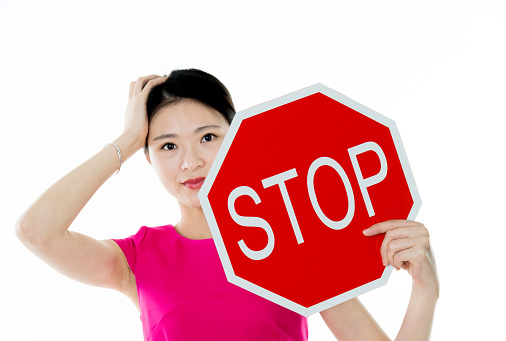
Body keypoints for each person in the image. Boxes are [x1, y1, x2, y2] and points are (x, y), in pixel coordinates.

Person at [15, 69, 439, 340]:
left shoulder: (291, 240)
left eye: (208, 137)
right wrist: (127, 140)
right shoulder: (139, 259)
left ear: (237, 139)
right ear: (150, 158)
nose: (190, 161)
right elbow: (36, 231)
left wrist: (425, 294)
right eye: (166, 145)